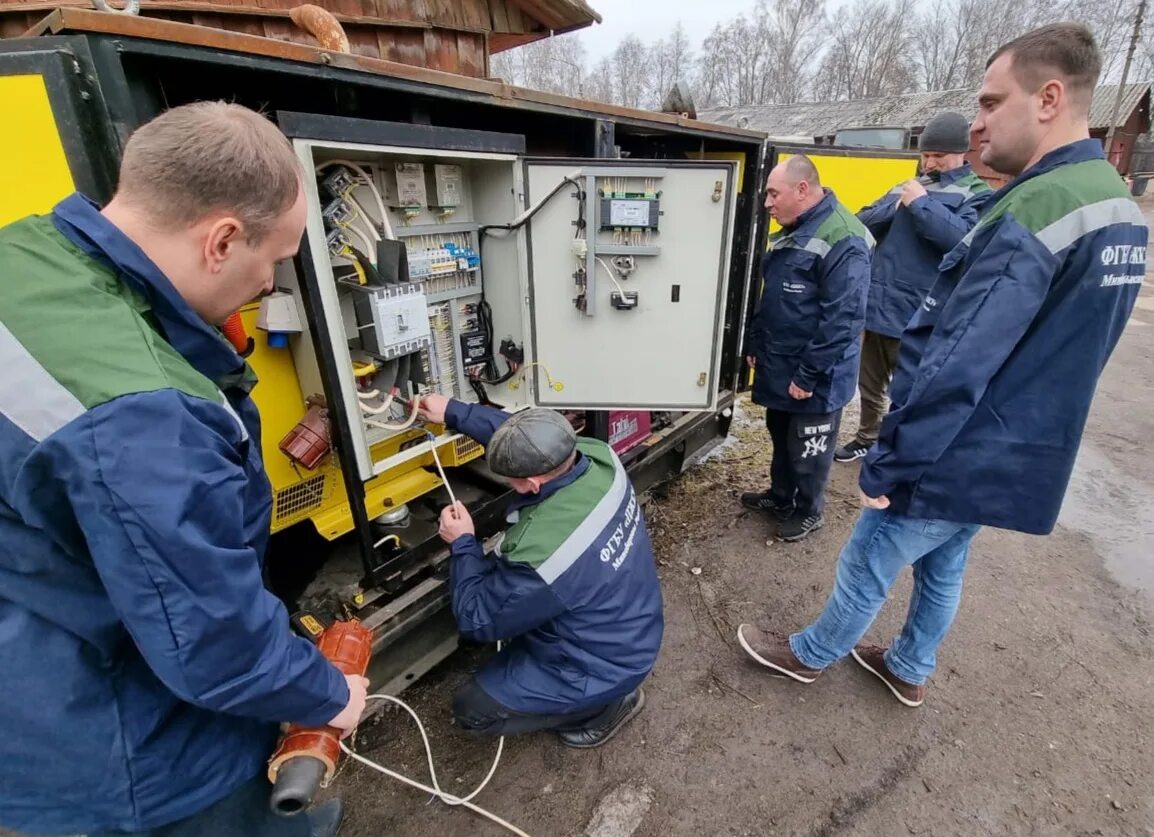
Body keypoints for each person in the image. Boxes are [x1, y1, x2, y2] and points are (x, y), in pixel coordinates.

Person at [737, 23, 1147, 707]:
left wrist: (893, 458)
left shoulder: (1041, 205)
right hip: (1019, 447)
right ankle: (910, 663)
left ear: (1049, 97)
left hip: (959, 443)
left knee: (870, 553)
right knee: (943, 559)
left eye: (990, 103)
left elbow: (959, 356)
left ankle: (809, 655)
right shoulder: (1113, 199)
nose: (977, 126)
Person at [0, 103, 366, 836]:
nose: (271, 283)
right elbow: (212, 637)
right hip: (121, 743)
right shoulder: (144, 414)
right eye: (276, 259)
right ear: (222, 240)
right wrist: (327, 693)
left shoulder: (26, 256)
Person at [417, 394, 663, 748]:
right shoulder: (596, 457)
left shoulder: (546, 556)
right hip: (631, 629)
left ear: (531, 484)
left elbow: (477, 618)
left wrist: (463, 543)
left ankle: (605, 708)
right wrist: (455, 412)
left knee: (471, 710)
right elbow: (530, 440)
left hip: (601, 667)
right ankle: (599, 691)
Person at [835, 112, 993, 462]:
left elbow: (964, 244)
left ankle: (900, 449)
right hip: (878, 304)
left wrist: (920, 205)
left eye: (938, 156)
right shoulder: (904, 185)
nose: (930, 162)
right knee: (870, 384)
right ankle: (867, 437)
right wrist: (895, 207)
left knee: (910, 388)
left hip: (921, 312)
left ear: (960, 153)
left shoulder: (976, 193)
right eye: (926, 154)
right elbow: (860, 224)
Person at [740, 155, 872, 542]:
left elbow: (843, 319)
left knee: (809, 448)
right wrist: (755, 342)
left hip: (816, 373)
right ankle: (781, 497)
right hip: (781, 361)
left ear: (802, 189)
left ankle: (808, 510)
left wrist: (808, 374)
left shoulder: (843, 237)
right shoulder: (792, 227)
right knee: (780, 434)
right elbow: (774, 297)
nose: (766, 202)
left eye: (772, 193)